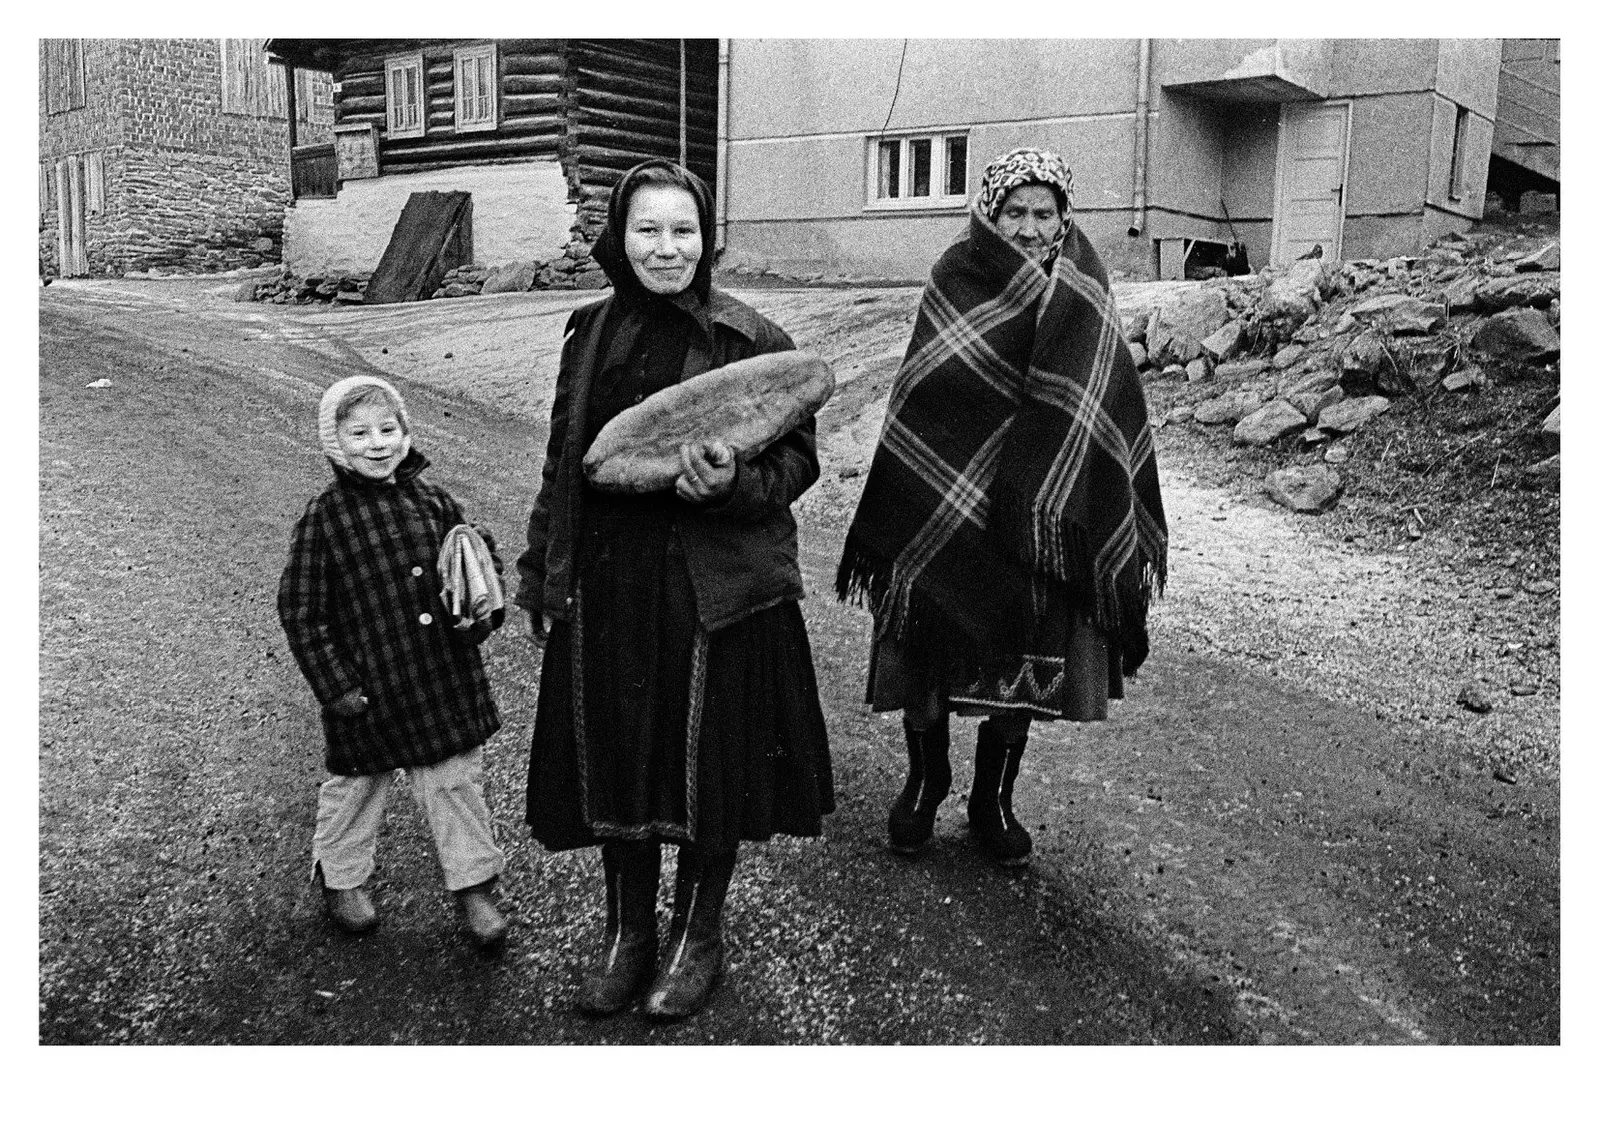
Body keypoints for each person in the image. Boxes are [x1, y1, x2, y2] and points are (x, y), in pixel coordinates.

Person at [516, 160, 834, 1021]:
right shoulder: (589, 333)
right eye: (647, 230)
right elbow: (563, 460)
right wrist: (543, 573)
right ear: (619, 238)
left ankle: (699, 937)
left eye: (684, 230)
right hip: (611, 585)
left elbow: (799, 458)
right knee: (621, 755)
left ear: (708, 236)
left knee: (705, 769)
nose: (667, 248)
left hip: (711, 592)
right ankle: (627, 935)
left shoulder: (752, 339)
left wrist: (734, 485)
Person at [837, 147, 1168, 868]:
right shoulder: (955, 276)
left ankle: (993, 799)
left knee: (1025, 661)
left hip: (1042, 518)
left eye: (1041, 212)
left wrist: (1064, 493)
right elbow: (922, 398)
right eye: (1013, 211)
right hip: (950, 503)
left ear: (1063, 216)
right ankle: (927, 781)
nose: (1026, 226)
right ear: (990, 213)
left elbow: (1105, 413)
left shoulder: (1087, 291)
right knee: (928, 654)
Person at [278, 376, 510, 951]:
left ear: (407, 433)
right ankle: (343, 880)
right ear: (335, 443)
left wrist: (477, 615)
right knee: (356, 788)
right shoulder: (324, 520)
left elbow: (477, 568)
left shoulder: (435, 503)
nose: (377, 443)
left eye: (389, 429)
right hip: (368, 690)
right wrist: (337, 686)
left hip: (440, 678)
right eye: (359, 433)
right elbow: (301, 611)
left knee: (455, 784)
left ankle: (474, 887)